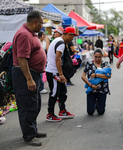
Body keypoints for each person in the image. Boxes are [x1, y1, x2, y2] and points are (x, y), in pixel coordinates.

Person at [12, 11, 47, 146]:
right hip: (26, 75)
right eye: (42, 23)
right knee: (27, 106)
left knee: (34, 105)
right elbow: (22, 59)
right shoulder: (24, 35)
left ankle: (33, 130)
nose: (43, 26)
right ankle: (29, 136)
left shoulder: (30, 33)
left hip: (33, 74)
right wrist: (29, 79)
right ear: (35, 22)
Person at [45, 27, 77, 122]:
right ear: (69, 34)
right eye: (73, 36)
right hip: (53, 72)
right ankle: (50, 114)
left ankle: (62, 110)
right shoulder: (61, 43)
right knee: (54, 93)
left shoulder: (58, 41)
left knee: (63, 91)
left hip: (56, 71)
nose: (72, 39)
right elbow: (57, 59)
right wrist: (61, 74)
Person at [81, 49, 111, 115]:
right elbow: (83, 76)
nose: (97, 59)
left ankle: (99, 104)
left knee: (101, 112)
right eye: (96, 57)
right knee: (90, 112)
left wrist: (96, 75)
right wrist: (91, 85)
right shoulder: (89, 63)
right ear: (93, 56)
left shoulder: (105, 64)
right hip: (91, 90)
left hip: (102, 90)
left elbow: (109, 76)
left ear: (102, 56)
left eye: (99, 57)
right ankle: (94, 104)